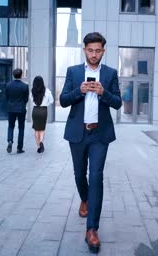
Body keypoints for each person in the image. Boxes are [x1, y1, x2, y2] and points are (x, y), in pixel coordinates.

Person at [59, 32, 122, 253]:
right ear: (84, 50)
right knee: (79, 175)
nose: (94, 54)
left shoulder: (111, 73)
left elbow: (118, 103)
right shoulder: (73, 72)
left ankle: (92, 229)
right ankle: (85, 199)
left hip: (100, 135)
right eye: (90, 50)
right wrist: (80, 90)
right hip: (78, 133)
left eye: (98, 50)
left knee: (96, 177)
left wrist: (103, 92)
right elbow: (63, 100)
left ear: (103, 51)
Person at [5, 68, 29, 154]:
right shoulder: (25, 86)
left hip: (11, 109)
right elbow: (26, 99)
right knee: (21, 128)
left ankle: (10, 141)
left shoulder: (8, 85)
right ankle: (19, 148)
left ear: (13, 75)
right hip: (21, 109)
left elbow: (7, 97)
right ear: (21, 75)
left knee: (11, 126)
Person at [30, 76, 54, 153]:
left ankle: (38, 147)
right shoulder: (47, 91)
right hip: (43, 110)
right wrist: (46, 104)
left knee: (36, 130)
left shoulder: (32, 91)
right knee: (42, 129)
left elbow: (31, 100)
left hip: (35, 110)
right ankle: (41, 142)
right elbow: (52, 101)